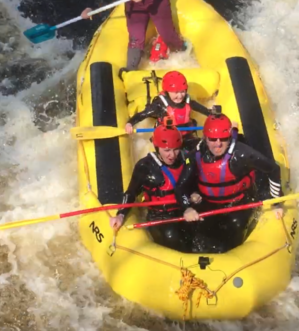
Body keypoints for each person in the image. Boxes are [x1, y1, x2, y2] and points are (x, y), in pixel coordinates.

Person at [179, 112, 285, 253]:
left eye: (223, 138)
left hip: (238, 204)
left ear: (229, 137)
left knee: (233, 235)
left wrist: (276, 202)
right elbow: (181, 185)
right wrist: (187, 206)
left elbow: (273, 169)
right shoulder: (195, 155)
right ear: (205, 138)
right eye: (213, 139)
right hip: (209, 204)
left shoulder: (242, 154)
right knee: (197, 235)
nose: (218, 144)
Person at [109, 124, 200, 252]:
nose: (172, 155)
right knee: (173, 237)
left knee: (202, 235)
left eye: (175, 149)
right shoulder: (145, 167)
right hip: (160, 217)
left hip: (186, 211)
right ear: (157, 148)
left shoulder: (186, 159)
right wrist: (120, 215)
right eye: (166, 150)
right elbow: (131, 193)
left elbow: (195, 183)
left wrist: (195, 194)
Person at [125, 71, 210, 140]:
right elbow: (143, 114)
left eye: (182, 91)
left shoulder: (188, 101)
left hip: (185, 135)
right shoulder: (160, 105)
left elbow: (202, 110)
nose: (180, 96)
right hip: (167, 139)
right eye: (176, 92)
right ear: (167, 91)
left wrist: (211, 114)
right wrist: (130, 123)